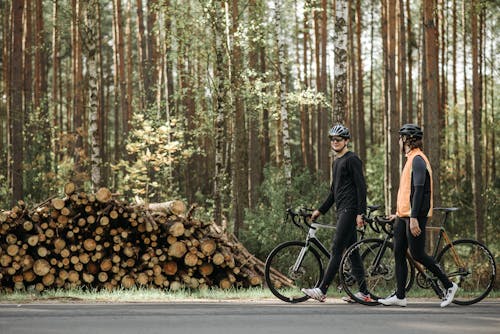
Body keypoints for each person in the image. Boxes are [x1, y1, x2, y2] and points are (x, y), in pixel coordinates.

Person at [378, 124, 458, 307]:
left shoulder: (418, 160)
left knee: (417, 253)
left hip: (415, 216)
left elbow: (420, 190)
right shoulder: (411, 159)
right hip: (404, 216)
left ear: (407, 139)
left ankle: (449, 285)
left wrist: (413, 217)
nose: (398, 141)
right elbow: (408, 191)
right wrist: (398, 215)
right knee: (398, 251)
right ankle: (400, 296)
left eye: (400, 138)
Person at [301, 124, 372, 303]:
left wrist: (360, 213)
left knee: (336, 248)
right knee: (353, 252)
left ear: (346, 141)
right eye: (332, 139)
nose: (335, 142)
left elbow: (361, 187)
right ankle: (364, 293)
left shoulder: (352, 159)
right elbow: (334, 193)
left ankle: (322, 289)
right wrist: (320, 210)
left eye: (338, 139)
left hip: (350, 210)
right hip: (341, 210)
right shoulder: (336, 162)